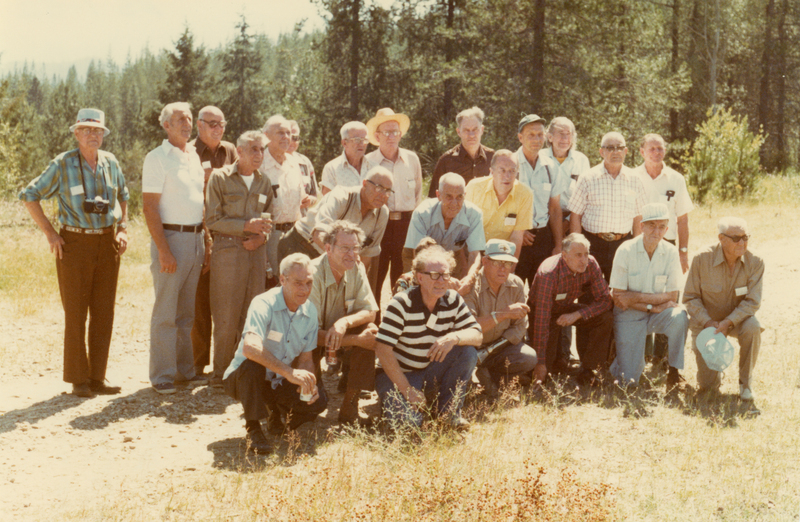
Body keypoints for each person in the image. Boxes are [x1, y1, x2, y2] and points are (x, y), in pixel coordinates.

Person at [20, 108, 129, 397]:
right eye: (86, 130)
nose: (93, 135)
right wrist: (49, 232)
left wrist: (123, 228)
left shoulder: (110, 162)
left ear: (103, 135)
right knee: (76, 312)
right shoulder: (63, 163)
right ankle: (78, 379)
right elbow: (29, 195)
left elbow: (125, 196)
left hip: (107, 243)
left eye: (98, 131)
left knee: (104, 312)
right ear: (76, 134)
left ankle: (97, 377)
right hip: (74, 244)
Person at [222, 253, 327, 454]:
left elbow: (306, 359)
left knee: (318, 402)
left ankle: (276, 413)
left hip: (277, 379)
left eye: (309, 283)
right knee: (252, 364)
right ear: (282, 280)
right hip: (243, 378)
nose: (304, 289)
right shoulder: (263, 303)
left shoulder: (310, 311)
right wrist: (289, 372)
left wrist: (308, 382)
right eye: (298, 283)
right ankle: (253, 428)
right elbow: (250, 347)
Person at [375, 246, 481, 430]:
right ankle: (399, 401)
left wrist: (454, 337)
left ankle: (448, 413)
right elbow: (383, 350)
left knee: (467, 351)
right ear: (419, 277)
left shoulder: (453, 299)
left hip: (430, 369)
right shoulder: (401, 304)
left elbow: (477, 335)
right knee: (409, 424)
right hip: (399, 375)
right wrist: (407, 390)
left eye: (445, 275)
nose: (441, 281)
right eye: (434, 275)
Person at [142, 102, 208, 394]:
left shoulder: (192, 155)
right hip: (171, 238)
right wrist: (164, 249)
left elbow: (199, 201)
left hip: (195, 239)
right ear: (165, 125)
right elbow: (149, 207)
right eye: (180, 119)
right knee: (166, 312)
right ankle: (162, 375)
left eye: (190, 119)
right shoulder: (157, 158)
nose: (187, 124)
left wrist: (205, 239)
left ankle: (184, 371)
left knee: (186, 313)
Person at [205, 131, 274, 387]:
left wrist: (261, 239)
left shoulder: (264, 181)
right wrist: (246, 225)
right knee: (226, 316)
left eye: (262, 150)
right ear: (240, 151)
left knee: (251, 314)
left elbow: (269, 220)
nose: (259, 155)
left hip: (255, 253)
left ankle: (246, 373)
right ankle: (221, 374)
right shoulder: (220, 178)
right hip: (228, 251)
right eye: (253, 149)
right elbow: (212, 220)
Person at [608, 203, 688, 388]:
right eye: (651, 225)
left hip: (658, 313)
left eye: (661, 227)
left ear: (667, 230)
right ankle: (621, 359)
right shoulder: (625, 250)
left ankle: (674, 371)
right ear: (641, 226)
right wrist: (652, 305)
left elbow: (672, 295)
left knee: (680, 316)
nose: (656, 231)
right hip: (629, 315)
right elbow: (619, 297)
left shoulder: (670, 252)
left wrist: (634, 297)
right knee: (628, 382)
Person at [683, 217, 764, 400]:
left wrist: (729, 322)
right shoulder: (701, 259)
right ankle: (712, 378)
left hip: (736, 321)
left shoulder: (756, 262)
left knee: (753, 327)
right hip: (706, 324)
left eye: (745, 237)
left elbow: (752, 301)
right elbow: (690, 297)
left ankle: (746, 384)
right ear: (721, 238)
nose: (742, 243)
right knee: (708, 388)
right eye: (736, 238)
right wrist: (707, 322)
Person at [309, 221, 379, 424]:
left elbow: (370, 311)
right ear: (328, 248)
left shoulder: (356, 268)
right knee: (310, 408)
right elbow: (308, 334)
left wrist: (344, 322)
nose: (352, 254)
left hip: (337, 335)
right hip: (307, 342)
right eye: (345, 248)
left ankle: (350, 406)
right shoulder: (311, 274)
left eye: (355, 248)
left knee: (370, 330)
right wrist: (356, 340)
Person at [633, 133, 695, 364]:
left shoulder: (675, 179)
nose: (656, 153)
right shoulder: (632, 176)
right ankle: (642, 352)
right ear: (641, 151)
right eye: (652, 149)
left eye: (660, 149)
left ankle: (662, 354)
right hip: (639, 244)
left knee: (667, 295)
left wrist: (683, 251)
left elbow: (682, 219)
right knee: (642, 293)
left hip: (667, 244)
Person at [278, 166, 391, 290]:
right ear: (364, 184)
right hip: (302, 244)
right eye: (379, 188)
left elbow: (367, 255)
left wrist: (355, 282)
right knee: (293, 294)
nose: (383, 195)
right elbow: (318, 234)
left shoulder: (382, 213)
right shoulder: (342, 197)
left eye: (388, 191)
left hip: (333, 256)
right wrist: (342, 260)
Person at [190, 106, 238, 378]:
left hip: (227, 232)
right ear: (199, 126)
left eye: (221, 124)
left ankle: (226, 360)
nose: (217, 129)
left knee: (225, 299)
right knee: (199, 300)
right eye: (212, 124)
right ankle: (197, 363)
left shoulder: (230, 151)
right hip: (198, 228)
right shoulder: (187, 151)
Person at [528, 233, 614, 384]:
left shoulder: (591, 264)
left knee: (605, 318)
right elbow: (542, 320)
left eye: (586, 254)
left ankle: (590, 370)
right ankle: (539, 366)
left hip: (566, 308)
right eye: (578, 255)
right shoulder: (549, 273)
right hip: (542, 313)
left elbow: (606, 300)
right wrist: (540, 363)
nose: (583, 260)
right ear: (565, 256)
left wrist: (578, 314)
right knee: (545, 372)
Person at [540, 117, 591, 365]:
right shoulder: (540, 158)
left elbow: (583, 196)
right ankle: (544, 350)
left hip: (573, 223)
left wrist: (572, 227)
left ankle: (566, 353)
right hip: (545, 224)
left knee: (569, 288)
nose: (564, 139)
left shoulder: (581, 160)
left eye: (569, 134)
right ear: (549, 136)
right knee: (548, 287)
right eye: (559, 134)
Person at [568, 132, 648, 281]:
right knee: (588, 294)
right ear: (601, 152)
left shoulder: (635, 180)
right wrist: (578, 248)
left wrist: (637, 247)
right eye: (610, 148)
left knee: (619, 293)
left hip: (623, 245)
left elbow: (638, 217)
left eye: (620, 148)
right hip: (592, 244)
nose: (616, 152)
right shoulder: (588, 178)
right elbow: (576, 215)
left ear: (626, 151)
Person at [365, 108, 423, 306]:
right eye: (387, 132)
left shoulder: (412, 159)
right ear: (377, 135)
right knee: (375, 274)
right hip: (378, 224)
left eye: (395, 132)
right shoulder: (368, 162)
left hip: (406, 226)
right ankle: (372, 322)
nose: (392, 136)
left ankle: (400, 322)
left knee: (404, 276)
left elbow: (417, 194)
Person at [464, 240, 537, 397]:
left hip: (498, 347)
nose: (503, 269)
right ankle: (474, 382)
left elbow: (519, 327)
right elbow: (470, 328)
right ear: (485, 261)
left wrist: (489, 351)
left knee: (528, 357)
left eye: (508, 264)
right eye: (497, 263)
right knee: (466, 358)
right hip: (471, 347)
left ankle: (492, 377)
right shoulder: (471, 286)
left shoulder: (516, 284)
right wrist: (503, 314)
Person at [403, 172, 485, 286]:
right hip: (419, 254)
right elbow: (419, 256)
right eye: (449, 197)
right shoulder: (422, 213)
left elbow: (475, 254)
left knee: (458, 291)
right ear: (438, 195)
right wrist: (444, 279)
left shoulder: (474, 214)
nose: (454, 203)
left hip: (452, 255)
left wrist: (469, 278)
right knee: (418, 287)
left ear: (465, 195)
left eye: (460, 197)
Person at [259, 115, 315, 279]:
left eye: (288, 133)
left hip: (295, 234)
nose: (286, 138)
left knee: (296, 281)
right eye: (280, 133)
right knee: (274, 282)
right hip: (270, 236)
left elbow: (302, 199)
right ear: (266, 136)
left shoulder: (293, 162)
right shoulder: (260, 165)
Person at [515, 114, 568, 284]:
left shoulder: (550, 166)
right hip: (516, 238)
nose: (536, 139)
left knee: (542, 293)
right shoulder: (510, 164)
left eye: (540, 134)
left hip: (543, 238)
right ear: (520, 137)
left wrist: (558, 245)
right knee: (512, 290)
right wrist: (517, 233)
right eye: (531, 135)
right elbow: (500, 205)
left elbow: (554, 209)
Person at [465, 149, 534, 257]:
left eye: (512, 171)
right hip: (472, 249)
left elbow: (516, 238)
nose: (507, 176)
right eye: (502, 170)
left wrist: (509, 270)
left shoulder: (525, 194)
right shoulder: (474, 187)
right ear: (491, 172)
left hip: (502, 253)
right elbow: (463, 229)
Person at [427, 106, 494, 196]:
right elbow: (434, 197)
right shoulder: (446, 161)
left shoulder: (493, 158)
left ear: (482, 130)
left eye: (475, 129)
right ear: (458, 132)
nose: (471, 135)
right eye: (466, 130)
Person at [320, 121, 373, 195]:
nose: (362, 144)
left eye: (365, 140)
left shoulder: (374, 167)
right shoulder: (331, 168)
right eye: (357, 140)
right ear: (344, 143)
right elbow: (327, 202)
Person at [288, 119, 320, 200]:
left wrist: (310, 201)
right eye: (288, 137)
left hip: (302, 212)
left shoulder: (305, 162)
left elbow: (315, 195)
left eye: (295, 138)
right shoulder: (267, 162)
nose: (291, 141)